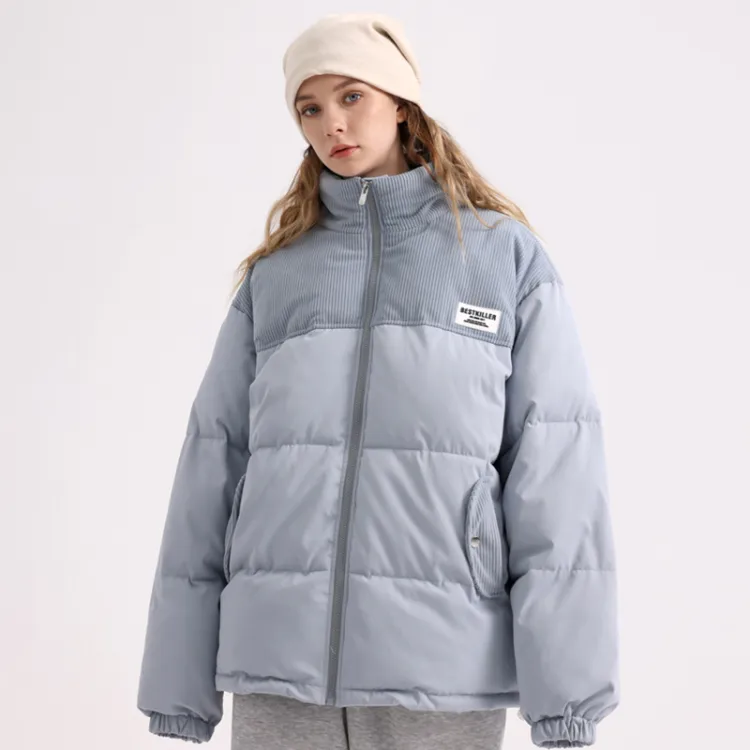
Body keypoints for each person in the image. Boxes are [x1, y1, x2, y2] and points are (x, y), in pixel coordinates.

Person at [136, 12, 620, 749]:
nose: (331, 123)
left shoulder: (504, 259)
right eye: (309, 108)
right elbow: (212, 466)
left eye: (352, 96)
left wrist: (568, 696)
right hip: (279, 659)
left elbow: (556, 469)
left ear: (400, 102)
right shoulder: (278, 276)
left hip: (441, 658)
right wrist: (179, 684)